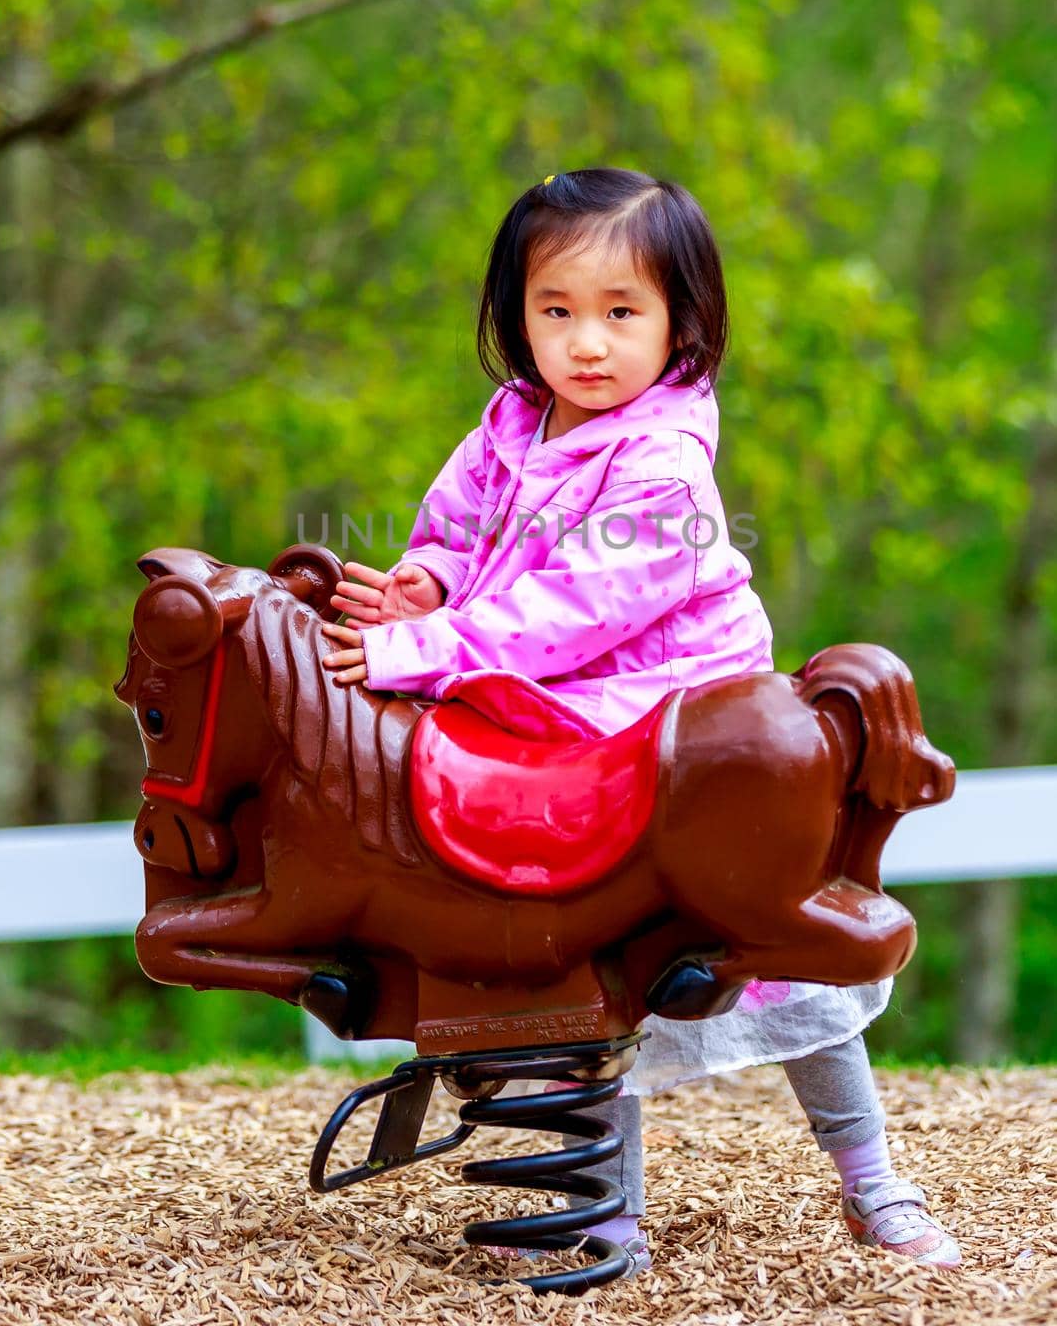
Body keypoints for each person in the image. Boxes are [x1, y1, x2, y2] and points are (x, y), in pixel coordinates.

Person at [320, 168, 961, 1275]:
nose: (585, 342)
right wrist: (425, 581)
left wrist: (413, 648)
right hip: (556, 714)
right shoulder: (511, 423)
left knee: (778, 961)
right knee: (572, 953)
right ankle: (597, 1208)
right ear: (513, 314)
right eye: (554, 309)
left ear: (680, 321)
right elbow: (453, 529)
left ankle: (872, 1181)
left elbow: (565, 616)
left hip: (668, 725)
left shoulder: (662, 464)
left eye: (621, 312)